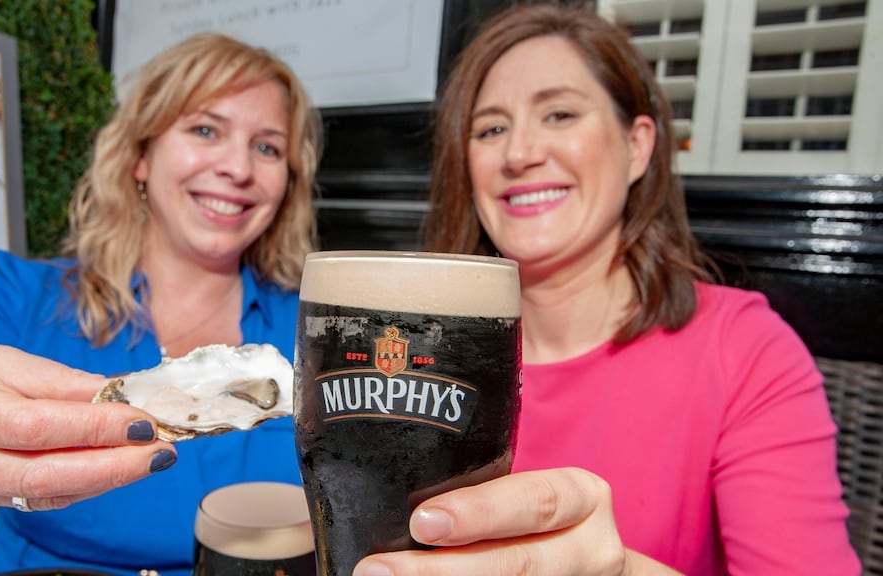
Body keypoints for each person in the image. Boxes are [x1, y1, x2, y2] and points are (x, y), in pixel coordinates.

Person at [349, 3, 860, 575]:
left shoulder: (743, 351)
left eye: (560, 114)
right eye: (491, 128)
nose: (519, 154)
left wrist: (621, 570)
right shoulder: (414, 354)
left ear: (638, 145)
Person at [0, 32, 321, 576]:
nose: (238, 168)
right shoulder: (19, 299)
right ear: (141, 157)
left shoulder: (316, 330)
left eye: (267, 147)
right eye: (205, 130)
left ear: (287, 183)